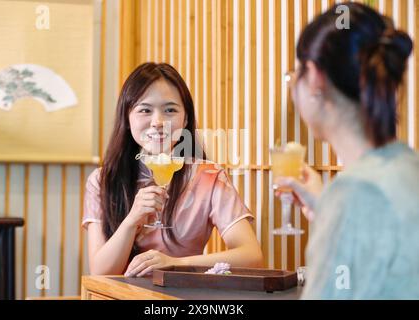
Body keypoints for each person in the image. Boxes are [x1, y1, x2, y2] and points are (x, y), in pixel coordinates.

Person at [275, 2, 419, 299]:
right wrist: (326, 207)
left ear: (314, 78)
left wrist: (336, 212)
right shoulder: (407, 166)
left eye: (294, 76)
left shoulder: (354, 194)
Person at [82, 62, 263, 277]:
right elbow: (100, 272)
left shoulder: (208, 177)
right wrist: (132, 220)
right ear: (127, 118)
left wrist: (175, 263)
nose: (158, 122)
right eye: (145, 110)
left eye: (170, 110)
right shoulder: (102, 180)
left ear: (185, 118)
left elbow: (252, 256)